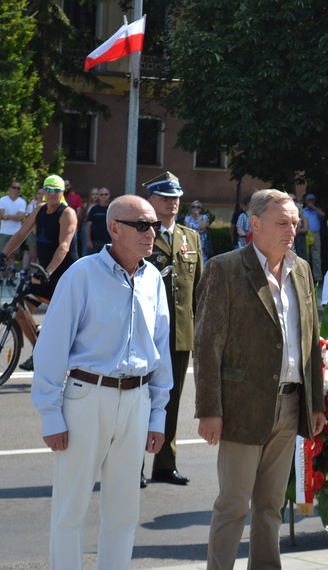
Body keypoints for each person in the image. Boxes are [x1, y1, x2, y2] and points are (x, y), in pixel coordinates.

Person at [31, 194, 173, 569]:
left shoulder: (153, 278)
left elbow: (160, 351)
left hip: (137, 400)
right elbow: (51, 348)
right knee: (70, 508)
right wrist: (50, 414)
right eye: (141, 225)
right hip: (86, 397)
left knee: (124, 509)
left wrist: (158, 415)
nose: (151, 233)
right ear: (114, 228)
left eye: (154, 226)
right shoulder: (82, 274)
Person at [195, 189, 325, 570]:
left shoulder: (300, 270)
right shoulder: (225, 268)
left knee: (271, 506)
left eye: (295, 223)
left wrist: (314, 403)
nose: (291, 230)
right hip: (241, 407)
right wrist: (209, 410)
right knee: (233, 505)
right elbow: (206, 346)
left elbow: (310, 340)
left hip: (290, 403)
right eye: (282, 222)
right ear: (255, 224)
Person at [143, 172, 202, 487]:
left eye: (177, 197)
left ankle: (165, 464)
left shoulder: (189, 237)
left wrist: (199, 333)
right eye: (166, 197)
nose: (174, 202)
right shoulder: (140, 232)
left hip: (179, 334)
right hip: (145, 334)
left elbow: (198, 290)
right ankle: (132, 464)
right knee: (140, 400)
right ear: (151, 200)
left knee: (172, 400)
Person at [0, 174, 79, 371]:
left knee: (57, 322)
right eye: (47, 190)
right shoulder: (40, 210)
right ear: (43, 192)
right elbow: (20, 234)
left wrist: (48, 271)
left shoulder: (67, 213)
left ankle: (65, 361)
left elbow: (64, 247)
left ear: (62, 192)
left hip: (65, 276)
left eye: (55, 190)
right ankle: (39, 352)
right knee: (20, 313)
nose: (51, 194)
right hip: (44, 272)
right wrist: (2, 255)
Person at [0, 181, 27, 273]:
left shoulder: (22, 202)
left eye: (17, 188)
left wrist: (6, 215)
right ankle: (1, 277)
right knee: (2, 255)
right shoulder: (2, 200)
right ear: (10, 188)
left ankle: (10, 278)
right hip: (4, 231)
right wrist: (14, 216)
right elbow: (0, 216)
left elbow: (20, 217)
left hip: (15, 232)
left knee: (12, 255)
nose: (15, 190)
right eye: (14, 187)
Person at [302, 193, 326, 283]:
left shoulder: (317, 210)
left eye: (312, 200)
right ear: (306, 201)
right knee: (306, 256)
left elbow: (323, 215)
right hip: (306, 234)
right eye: (309, 200)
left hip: (315, 234)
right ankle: (306, 277)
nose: (311, 202)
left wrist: (314, 207)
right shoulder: (303, 211)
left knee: (316, 256)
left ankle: (318, 278)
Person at [86, 188, 112, 255]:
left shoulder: (112, 209)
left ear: (109, 196)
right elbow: (88, 226)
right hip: (95, 242)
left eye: (106, 194)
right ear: (98, 196)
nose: (104, 196)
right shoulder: (94, 209)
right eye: (101, 194)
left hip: (108, 242)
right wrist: (89, 241)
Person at [184, 199, 210, 264]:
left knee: (202, 257)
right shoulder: (187, 218)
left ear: (201, 209)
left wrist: (198, 217)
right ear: (191, 208)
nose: (196, 208)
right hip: (191, 240)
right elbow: (187, 230)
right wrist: (199, 232)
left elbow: (202, 227)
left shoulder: (204, 217)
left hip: (202, 242)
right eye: (194, 207)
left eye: (198, 207)